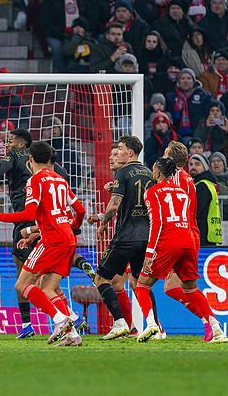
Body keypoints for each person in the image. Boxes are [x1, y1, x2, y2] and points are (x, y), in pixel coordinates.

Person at [0, 128, 76, 337]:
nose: (7, 144)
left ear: (22, 144)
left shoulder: (16, 156)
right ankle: (67, 316)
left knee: (23, 274)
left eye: (11, 141)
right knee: (45, 275)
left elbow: (0, 169)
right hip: (50, 221)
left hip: (25, 218)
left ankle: (37, 323)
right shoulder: (50, 167)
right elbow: (65, 177)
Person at [135, 157, 228, 343]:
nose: (152, 172)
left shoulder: (152, 192)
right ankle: (217, 330)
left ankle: (152, 325)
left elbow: (157, 223)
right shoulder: (183, 191)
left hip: (168, 241)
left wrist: (149, 252)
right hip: (189, 240)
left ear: (158, 173)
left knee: (142, 285)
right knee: (191, 288)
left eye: (154, 169)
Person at [92, 135, 157, 340]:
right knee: (140, 284)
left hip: (125, 236)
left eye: (119, 149)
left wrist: (103, 221)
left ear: (130, 152)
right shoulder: (149, 173)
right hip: (145, 236)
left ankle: (120, 323)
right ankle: (155, 327)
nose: (117, 152)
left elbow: (113, 206)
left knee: (101, 278)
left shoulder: (123, 172)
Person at [41, 0, 94, 73]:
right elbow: (46, 22)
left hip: (81, 33)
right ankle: (62, 77)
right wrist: (63, 34)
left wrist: (83, 29)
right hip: (58, 34)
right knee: (57, 47)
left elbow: (90, 17)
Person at [187, 153, 223, 246]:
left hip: (201, 234)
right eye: (191, 164)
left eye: (197, 164)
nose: (193, 167)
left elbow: (195, 211)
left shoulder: (202, 186)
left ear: (205, 167)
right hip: (208, 234)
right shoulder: (208, 184)